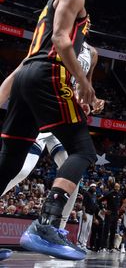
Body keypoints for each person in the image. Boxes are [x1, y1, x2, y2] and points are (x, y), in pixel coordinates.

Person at [0, 0, 103, 260]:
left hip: (27, 77)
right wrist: (84, 84)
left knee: (10, 161)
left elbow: (27, 62)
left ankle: (46, 225)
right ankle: (45, 225)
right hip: (48, 74)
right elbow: (60, 39)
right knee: (83, 151)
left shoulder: (52, 5)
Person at [1, 41, 97, 233]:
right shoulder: (53, 38)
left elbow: (83, 87)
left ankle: (54, 231)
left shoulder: (92, 53)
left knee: (72, 176)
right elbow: (25, 67)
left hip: (64, 112)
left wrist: (91, 102)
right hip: (43, 108)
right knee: (21, 170)